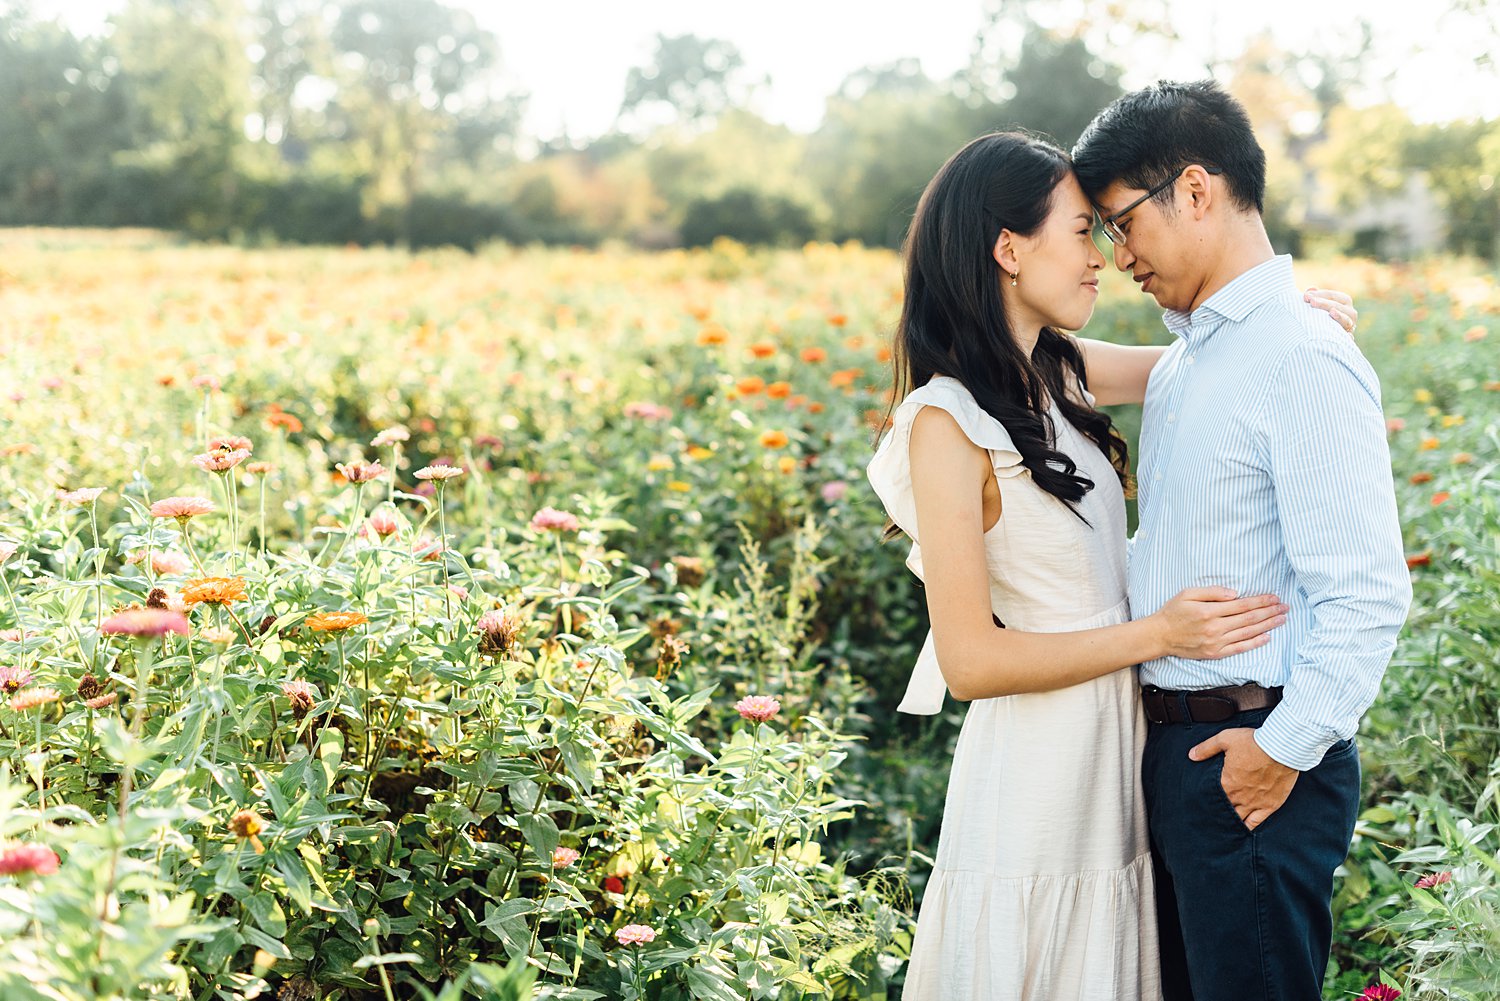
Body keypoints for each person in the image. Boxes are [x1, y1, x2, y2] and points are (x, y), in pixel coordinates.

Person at [865, 129, 1359, 999]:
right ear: (1008, 246)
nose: (1105, 258)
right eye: (1083, 229)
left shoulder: (1059, 370)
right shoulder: (946, 423)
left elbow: (1213, 370)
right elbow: (971, 660)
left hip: (1119, 750)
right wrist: (1156, 632)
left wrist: (1299, 321)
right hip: (1039, 767)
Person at [1069, 80, 1412, 1000]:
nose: (1119, 255)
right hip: (1184, 754)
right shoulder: (1190, 360)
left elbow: (1368, 592)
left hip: (1253, 755)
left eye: (1119, 222)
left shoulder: (1300, 356)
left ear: (1193, 189)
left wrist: (1283, 747)